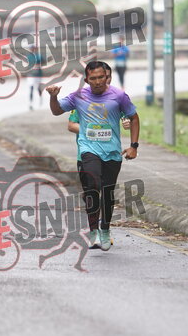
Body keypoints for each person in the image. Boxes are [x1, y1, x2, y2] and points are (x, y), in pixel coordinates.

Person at [47, 60, 140, 251]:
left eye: (101, 77)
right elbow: (56, 111)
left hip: (112, 152)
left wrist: (133, 146)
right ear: (87, 80)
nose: (97, 82)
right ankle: (93, 231)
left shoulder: (119, 96)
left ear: (107, 77)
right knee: (92, 187)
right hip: (88, 150)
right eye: (93, 78)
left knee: (107, 192)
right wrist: (53, 97)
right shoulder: (78, 96)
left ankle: (105, 229)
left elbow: (133, 117)